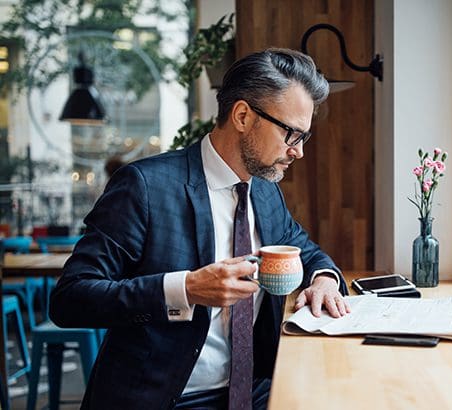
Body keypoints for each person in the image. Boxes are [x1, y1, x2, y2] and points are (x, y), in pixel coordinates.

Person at [49, 48, 350, 410]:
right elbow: (71, 298)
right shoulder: (145, 186)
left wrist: (324, 280)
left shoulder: (265, 191)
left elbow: (303, 248)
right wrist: (186, 289)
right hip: (163, 398)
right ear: (242, 116)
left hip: (254, 391)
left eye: (304, 137)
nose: (298, 151)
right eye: (291, 134)